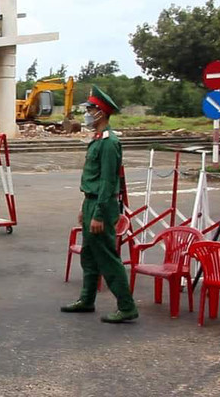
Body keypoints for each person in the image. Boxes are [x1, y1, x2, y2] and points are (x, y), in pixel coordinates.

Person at [61, 86, 138, 323]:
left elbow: (107, 182)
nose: (86, 113)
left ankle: (126, 306)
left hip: (101, 207)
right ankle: (87, 299)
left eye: (90, 109)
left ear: (101, 113)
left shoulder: (108, 143)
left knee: (107, 257)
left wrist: (98, 214)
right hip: (91, 203)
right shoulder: (97, 140)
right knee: (89, 255)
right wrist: (86, 208)